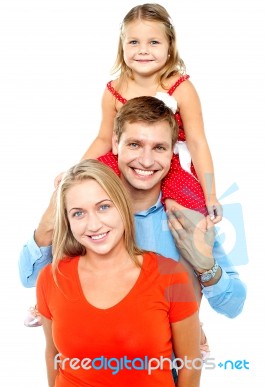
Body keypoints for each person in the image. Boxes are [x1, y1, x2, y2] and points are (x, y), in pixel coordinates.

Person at [19, 97, 246, 349]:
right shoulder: (92, 213)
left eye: (159, 147)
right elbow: (29, 277)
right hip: (90, 365)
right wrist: (48, 222)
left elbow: (235, 306)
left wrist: (207, 267)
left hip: (161, 370)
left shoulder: (187, 217)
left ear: (173, 151)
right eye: (135, 144)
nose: (146, 161)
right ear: (116, 144)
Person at [37, 159, 201, 387]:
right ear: (68, 221)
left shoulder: (171, 276)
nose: (93, 225)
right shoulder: (51, 278)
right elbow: (53, 357)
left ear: (122, 206)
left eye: (104, 207)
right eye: (78, 213)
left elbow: (190, 365)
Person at [78, 3, 222, 222]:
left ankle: (187, 251)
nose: (143, 50)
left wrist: (211, 195)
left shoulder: (181, 87)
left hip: (170, 163)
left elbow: (197, 142)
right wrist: (77, 172)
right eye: (134, 42)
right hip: (129, 159)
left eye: (154, 42)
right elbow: (104, 138)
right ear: (122, 45)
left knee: (190, 211)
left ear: (169, 46)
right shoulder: (114, 91)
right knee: (91, 185)